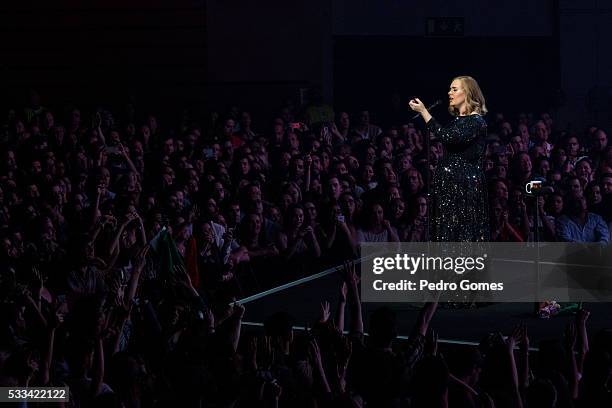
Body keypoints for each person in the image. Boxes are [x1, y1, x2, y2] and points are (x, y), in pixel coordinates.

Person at [409, 76, 490, 242]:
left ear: (468, 93)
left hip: (463, 186)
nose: (449, 92)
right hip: (449, 185)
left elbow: (448, 137)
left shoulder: (476, 121)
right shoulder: (456, 121)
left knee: (461, 234)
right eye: (450, 89)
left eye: (455, 89)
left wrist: (424, 112)